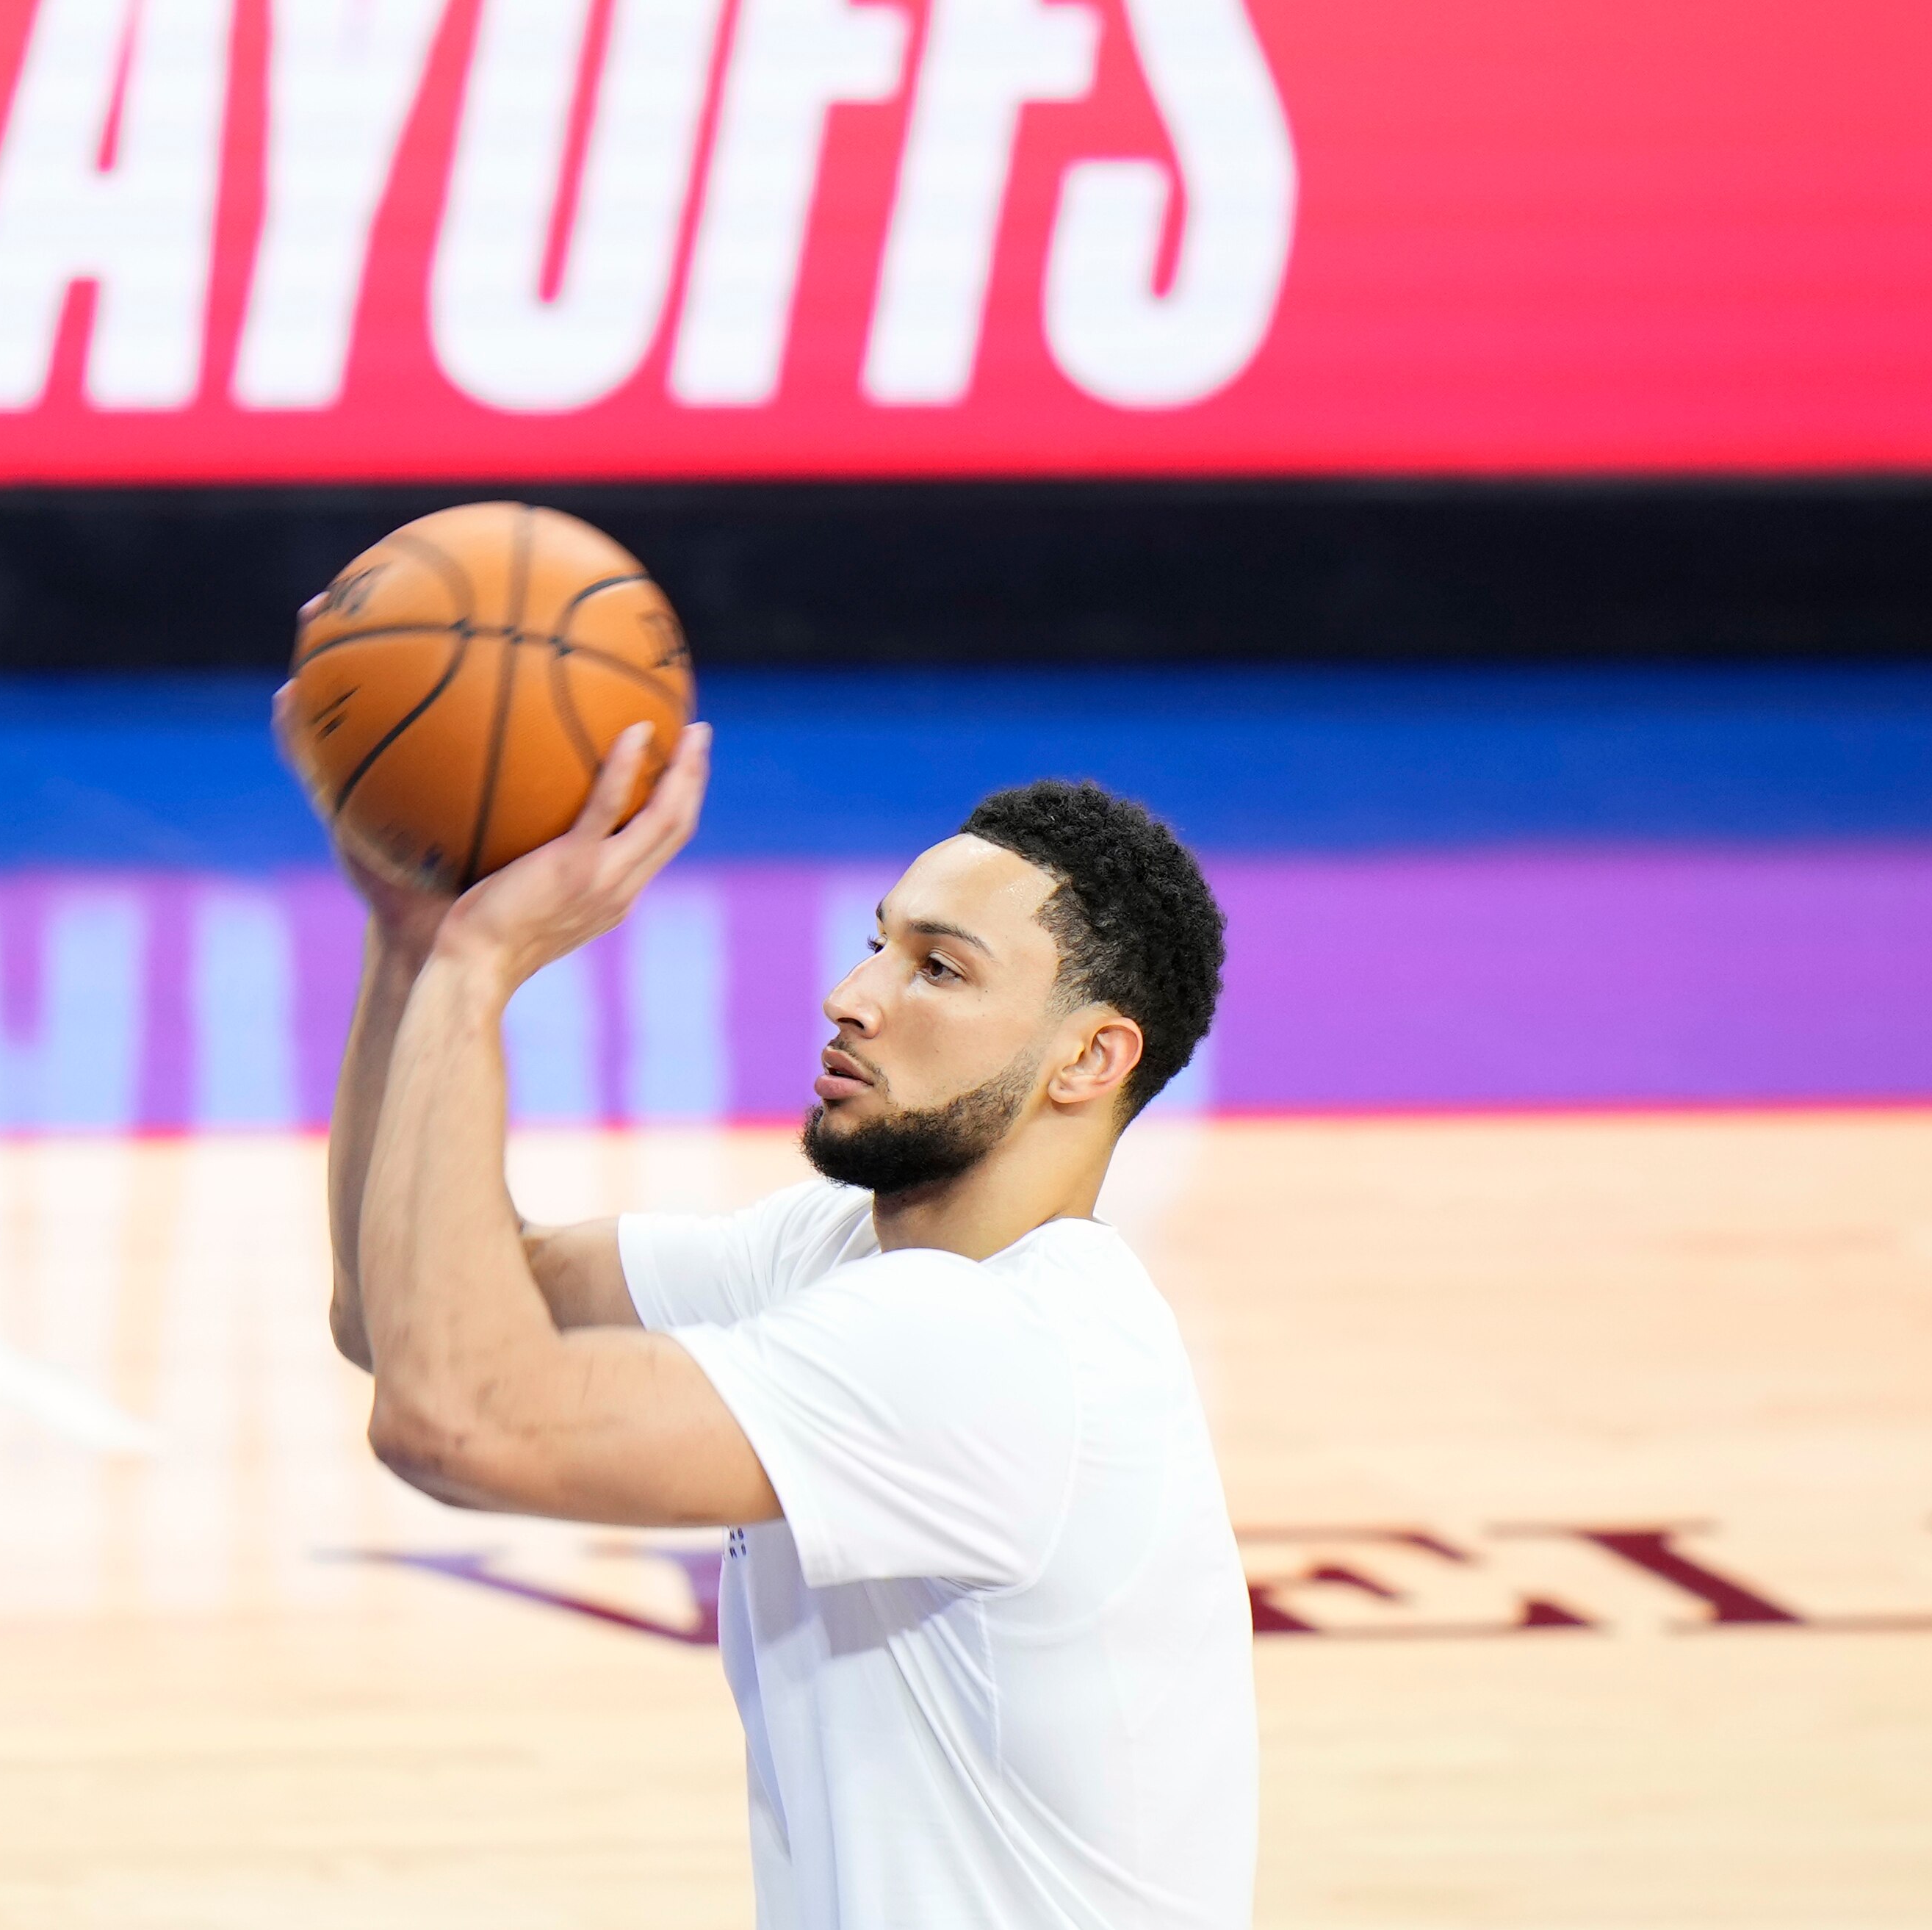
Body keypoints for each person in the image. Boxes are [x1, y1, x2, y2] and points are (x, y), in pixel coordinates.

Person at [289, 702, 1253, 1930]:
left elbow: (459, 1417)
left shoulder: (997, 1353)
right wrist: (416, 945)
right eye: (879, 946)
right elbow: (399, 1309)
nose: (851, 995)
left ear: (1089, 1061)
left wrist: (483, 973)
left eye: (938, 969)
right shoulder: (836, 1252)